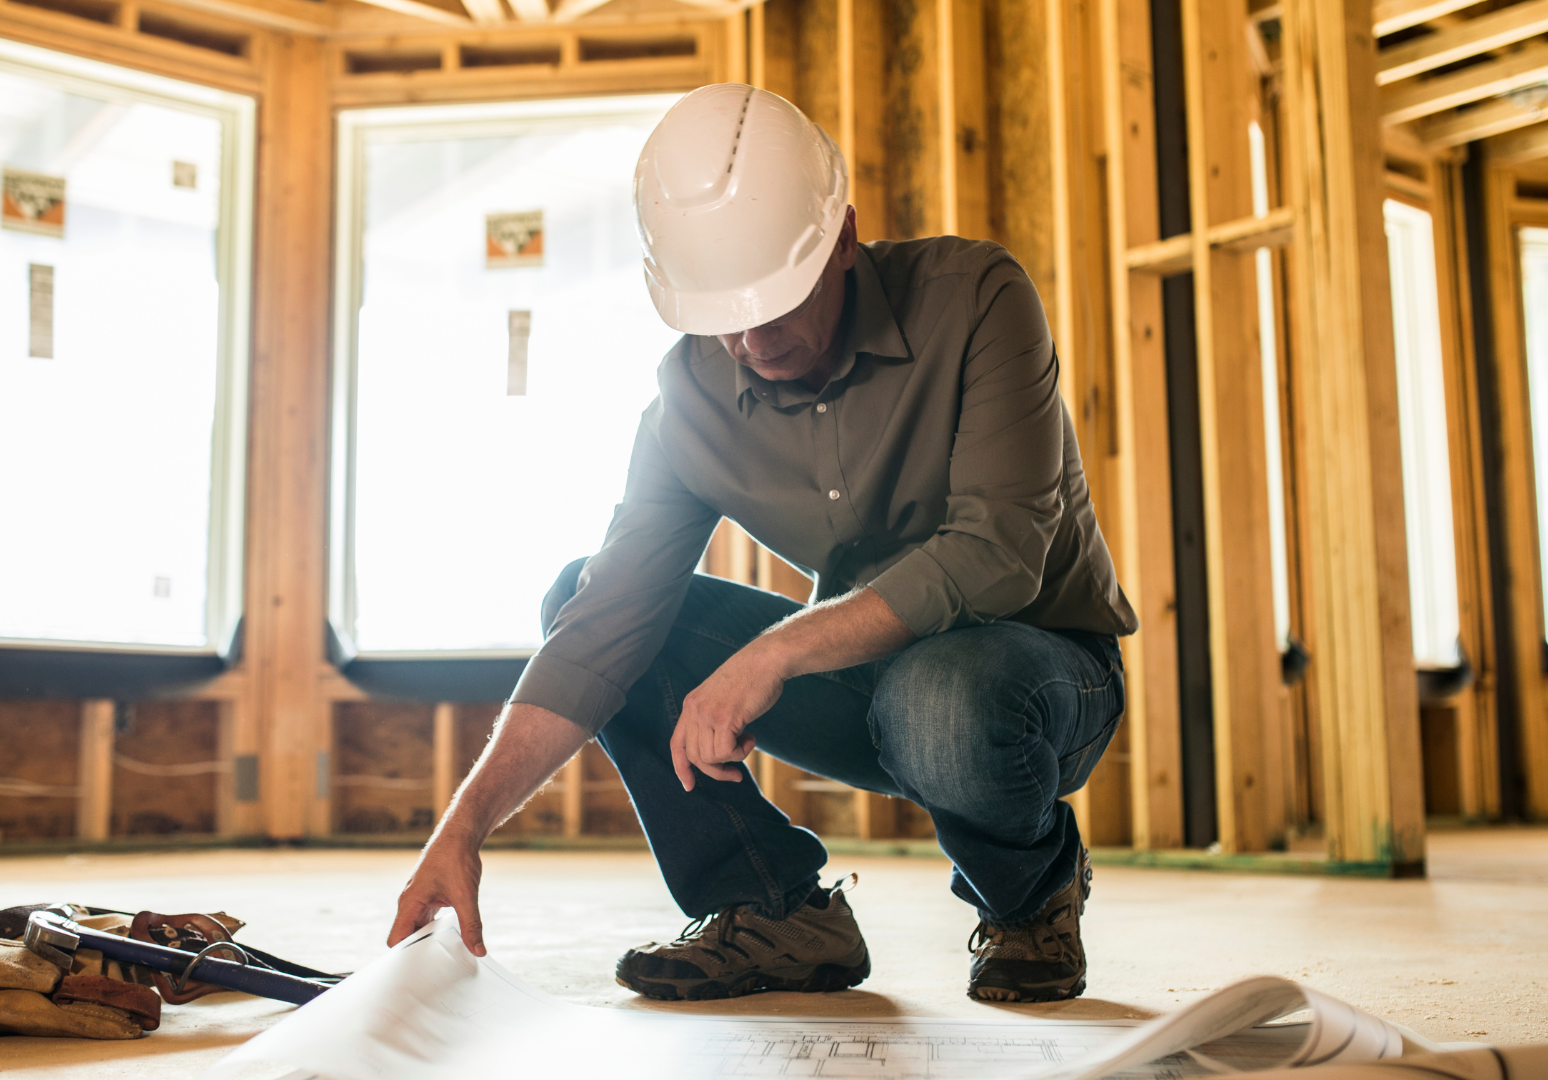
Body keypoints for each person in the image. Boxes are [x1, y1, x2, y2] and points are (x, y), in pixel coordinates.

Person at [385, 84, 1138, 1004]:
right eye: (719, 317)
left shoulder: (976, 298)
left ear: (844, 239)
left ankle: (1032, 898)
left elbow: (1002, 551)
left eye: (776, 305)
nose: (749, 339)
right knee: (580, 592)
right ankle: (773, 910)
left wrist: (776, 651)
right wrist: (462, 827)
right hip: (871, 680)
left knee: (939, 696)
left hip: (1041, 676)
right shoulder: (687, 402)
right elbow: (599, 633)